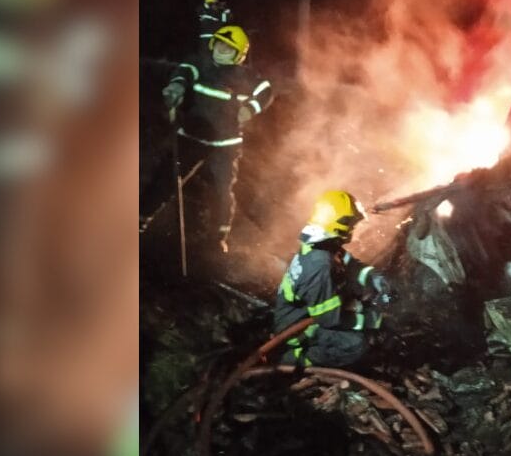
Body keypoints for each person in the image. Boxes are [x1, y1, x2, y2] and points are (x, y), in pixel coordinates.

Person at [159, 24, 273, 253]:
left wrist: (250, 108)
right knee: (165, 179)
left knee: (222, 191)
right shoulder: (201, 64)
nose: (222, 50)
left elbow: (265, 90)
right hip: (192, 136)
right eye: (219, 44)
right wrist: (176, 87)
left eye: (229, 48)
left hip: (225, 145)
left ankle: (218, 238)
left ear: (239, 55)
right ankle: (140, 218)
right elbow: (185, 70)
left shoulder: (245, 76)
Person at [272, 191, 392, 367]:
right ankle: (295, 359)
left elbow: (351, 265)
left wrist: (374, 277)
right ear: (339, 224)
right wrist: (370, 320)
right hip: (298, 330)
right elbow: (329, 319)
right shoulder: (318, 265)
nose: (353, 228)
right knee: (355, 344)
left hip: (311, 315)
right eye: (351, 224)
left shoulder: (322, 245)